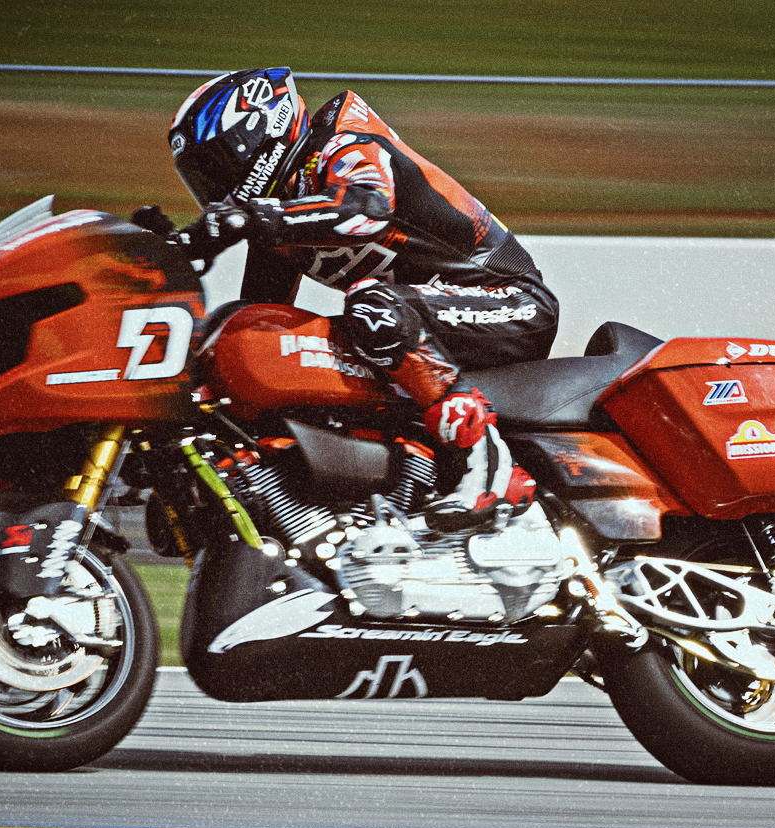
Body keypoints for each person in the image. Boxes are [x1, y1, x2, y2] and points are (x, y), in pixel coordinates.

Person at [162, 67, 559, 532]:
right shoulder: (284, 212)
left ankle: (489, 462)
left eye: (218, 166)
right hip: (428, 320)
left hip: (510, 302)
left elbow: (367, 210)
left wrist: (249, 217)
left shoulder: (344, 142)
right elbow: (256, 318)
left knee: (372, 305)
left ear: (259, 132)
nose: (214, 191)